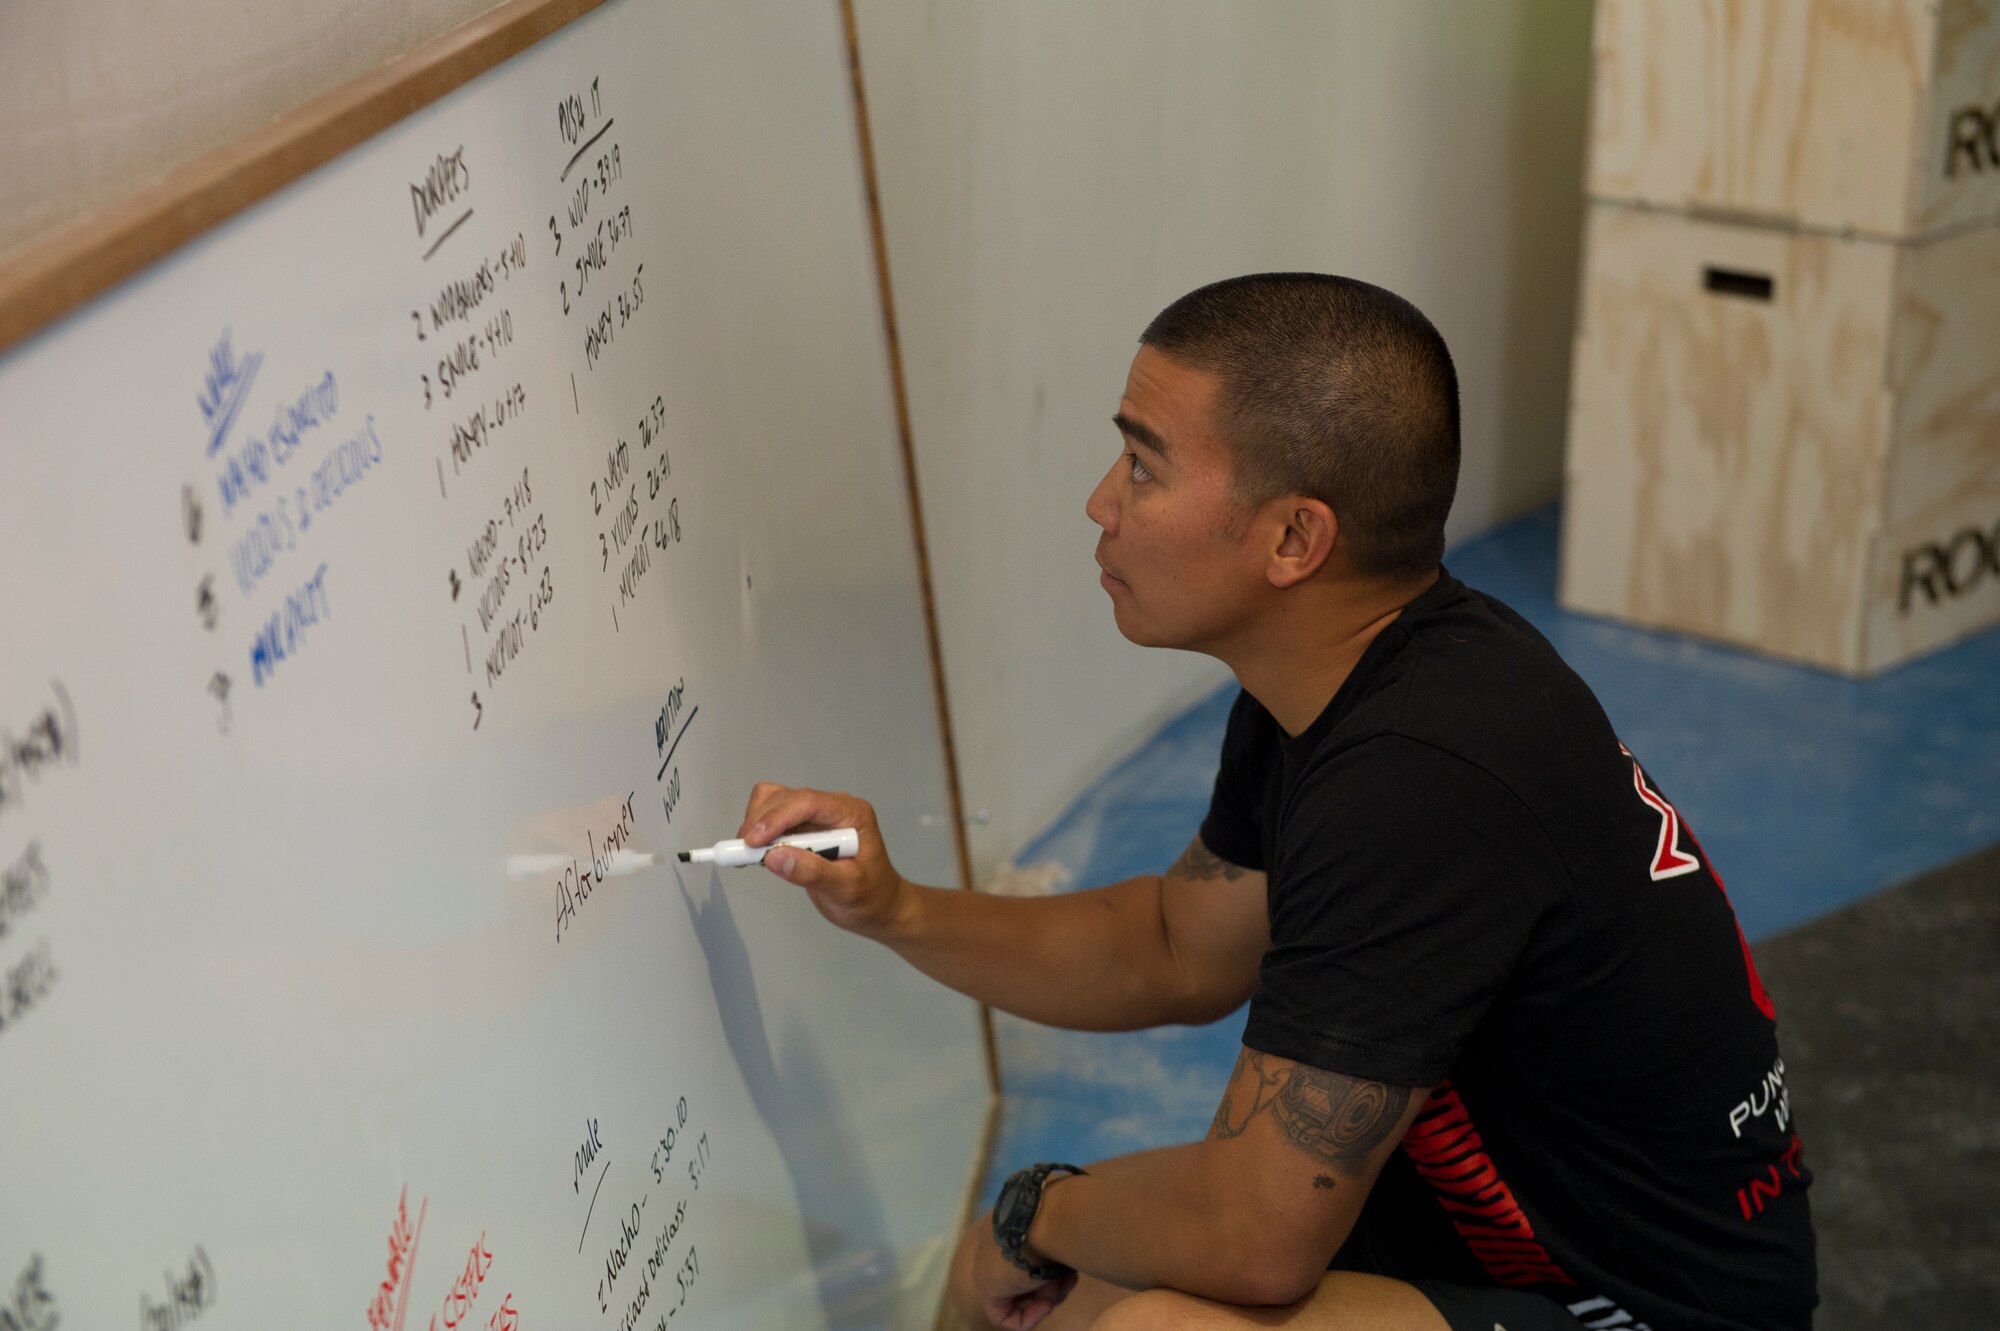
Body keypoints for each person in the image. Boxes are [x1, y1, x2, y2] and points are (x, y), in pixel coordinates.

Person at [735, 275, 1816, 1330]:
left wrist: (1030, 1211)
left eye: (1142, 466)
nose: (1101, 502)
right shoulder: (1336, 684)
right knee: (1062, 1301)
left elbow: (1253, 1235)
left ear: (1294, 539)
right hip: (1473, 1255)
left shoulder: (1417, 779)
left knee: (1139, 1323)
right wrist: (895, 907)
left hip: (1642, 1311)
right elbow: (1173, 947)